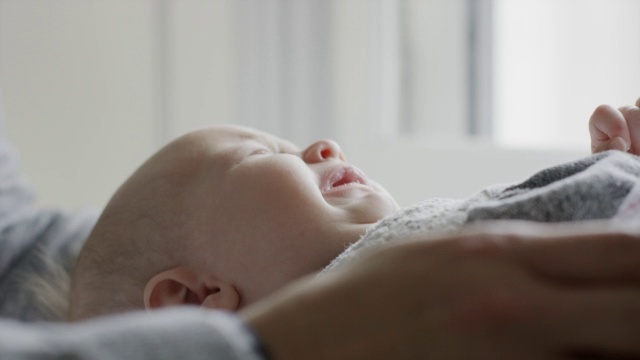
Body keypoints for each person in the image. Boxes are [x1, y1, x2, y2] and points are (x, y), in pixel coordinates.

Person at [2, 97, 640, 359]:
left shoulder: (429, 260)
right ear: (196, 298)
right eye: (260, 154)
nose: (322, 145)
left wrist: (609, 168)